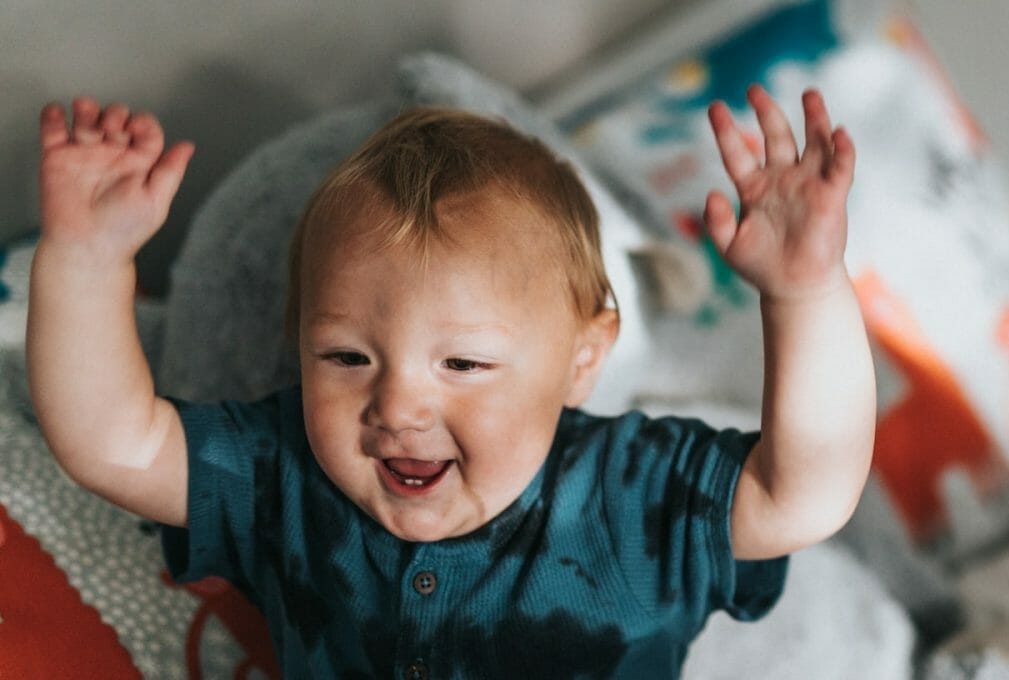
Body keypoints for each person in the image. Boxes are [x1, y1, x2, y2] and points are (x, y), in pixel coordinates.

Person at [28, 85, 875, 678]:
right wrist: (87, 260)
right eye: (347, 358)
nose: (396, 406)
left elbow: (804, 496)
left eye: (463, 364)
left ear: (584, 360)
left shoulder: (635, 497)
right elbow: (113, 443)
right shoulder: (282, 478)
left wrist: (805, 292)